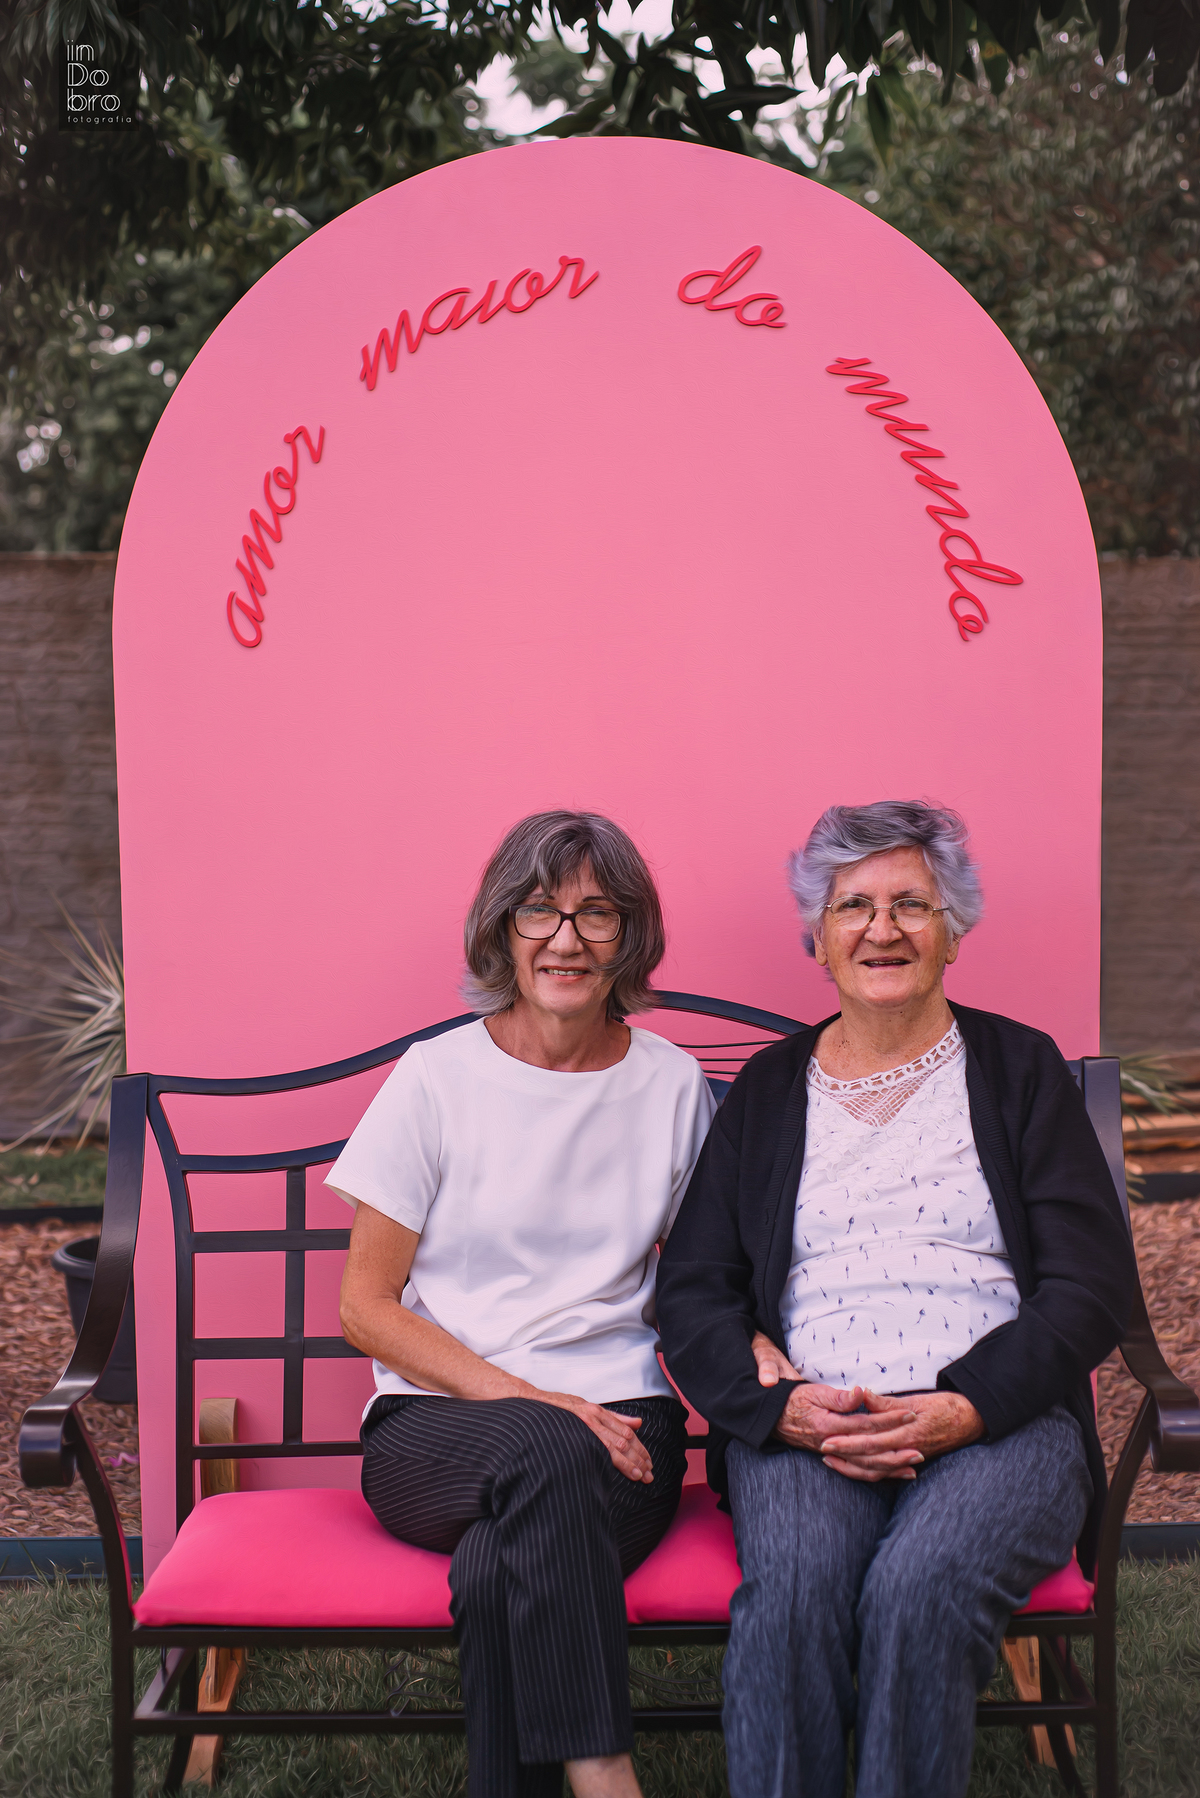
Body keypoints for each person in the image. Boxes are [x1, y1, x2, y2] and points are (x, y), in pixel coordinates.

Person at [656, 799, 1136, 1798]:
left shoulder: (1021, 1070)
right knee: (792, 1600)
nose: (883, 928)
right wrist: (772, 1403)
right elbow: (694, 1288)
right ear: (819, 938)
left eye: (911, 903)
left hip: (1001, 1419)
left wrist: (968, 1404)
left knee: (920, 1591)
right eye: (855, 907)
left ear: (951, 929)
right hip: (812, 1423)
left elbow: (1090, 1282)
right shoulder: (769, 1090)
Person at [329, 810, 715, 1798]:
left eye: (598, 913)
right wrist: (528, 1401)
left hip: (626, 1436)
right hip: (433, 1434)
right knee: (547, 1445)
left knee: (497, 1569)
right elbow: (367, 1309)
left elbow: (711, 1283)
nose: (567, 937)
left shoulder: (673, 1087)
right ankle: (603, 1766)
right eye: (541, 910)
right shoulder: (436, 1080)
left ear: (630, 937)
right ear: (505, 929)